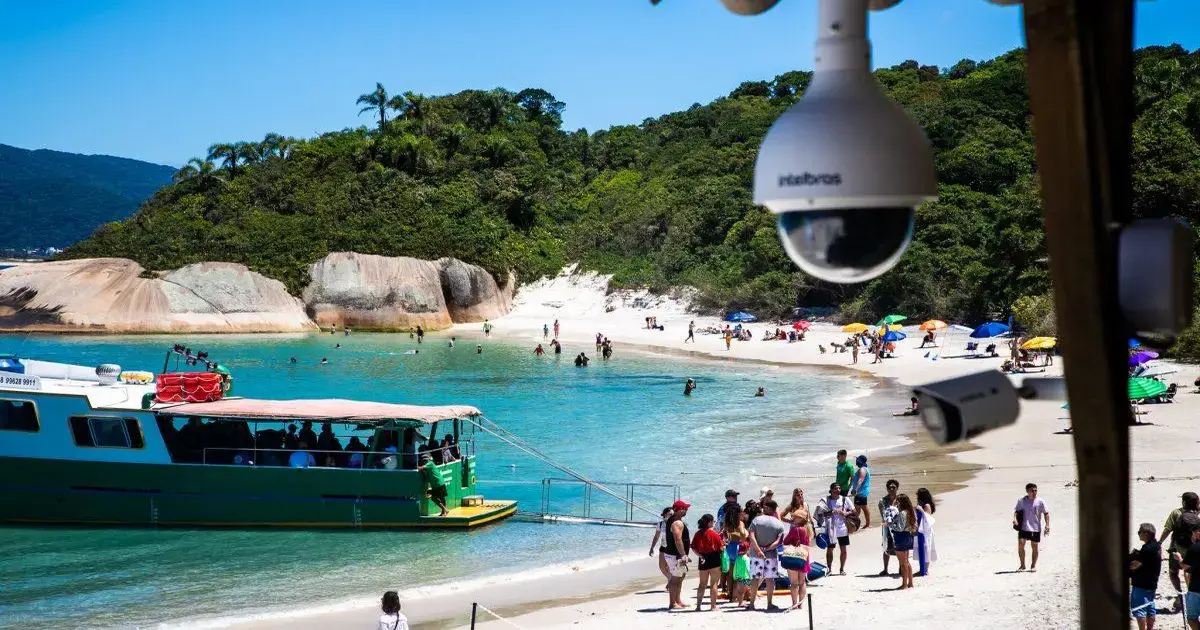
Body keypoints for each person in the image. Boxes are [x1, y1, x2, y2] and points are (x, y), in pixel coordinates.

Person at [1162, 492, 1200, 612]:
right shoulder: (1197, 515)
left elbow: (1167, 529)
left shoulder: (1176, 513)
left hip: (1177, 548)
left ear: (1183, 502)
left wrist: (1159, 542)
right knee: (1189, 572)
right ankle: (1191, 594)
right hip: (1193, 549)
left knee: (1173, 572)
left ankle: (1179, 596)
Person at [747, 499, 786, 611]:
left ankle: (751, 604)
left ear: (767, 508)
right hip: (771, 555)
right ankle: (769, 604)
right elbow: (778, 542)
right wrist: (766, 549)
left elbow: (751, 537)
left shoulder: (756, 520)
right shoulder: (779, 524)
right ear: (774, 510)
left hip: (756, 554)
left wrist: (759, 550)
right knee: (769, 579)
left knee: (755, 579)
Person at [1130, 522, 1162, 629]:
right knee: (1150, 608)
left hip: (1141, 583)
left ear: (1146, 533)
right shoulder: (1157, 546)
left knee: (1139, 610)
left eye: (1139, 532)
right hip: (1152, 582)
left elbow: (1135, 565)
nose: (1138, 534)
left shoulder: (1147, 549)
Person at [1013, 482, 1050, 571]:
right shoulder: (1022, 501)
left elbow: (1046, 513)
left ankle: (1033, 566)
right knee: (1021, 545)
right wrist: (1015, 519)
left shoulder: (1040, 501)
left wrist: (1047, 525)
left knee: (1034, 547)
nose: (1034, 492)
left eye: (1035, 490)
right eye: (1032, 491)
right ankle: (1022, 566)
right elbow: (1016, 511)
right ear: (1027, 491)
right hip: (1023, 527)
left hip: (1035, 528)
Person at [691, 514, 724, 611]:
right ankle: (713, 606)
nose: (714, 523)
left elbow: (693, 547)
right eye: (713, 521)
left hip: (703, 558)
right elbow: (721, 547)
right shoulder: (714, 534)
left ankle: (698, 606)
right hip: (714, 557)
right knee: (714, 583)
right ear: (709, 522)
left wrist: (700, 556)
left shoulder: (698, 533)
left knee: (702, 584)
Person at [663, 500, 691, 610]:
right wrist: (683, 555)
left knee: (680, 577)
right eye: (685, 508)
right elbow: (677, 539)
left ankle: (677, 600)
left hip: (676, 554)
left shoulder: (674, 519)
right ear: (680, 510)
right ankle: (672, 603)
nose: (687, 510)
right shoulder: (677, 522)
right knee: (675, 579)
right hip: (675, 555)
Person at [821, 482, 854, 575]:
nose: (838, 490)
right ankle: (829, 569)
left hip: (843, 529)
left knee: (843, 549)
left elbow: (854, 511)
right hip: (830, 529)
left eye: (839, 488)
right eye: (835, 488)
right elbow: (821, 513)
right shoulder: (826, 500)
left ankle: (842, 569)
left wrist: (845, 513)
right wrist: (832, 511)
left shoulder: (845, 499)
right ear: (831, 490)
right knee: (830, 550)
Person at [781, 513, 812, 611]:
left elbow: (785, 541)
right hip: (804, 557)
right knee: (802, 582)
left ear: (801, 519)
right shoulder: (808, 529)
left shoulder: (796, 530)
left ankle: (794, 604)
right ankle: (800, 605)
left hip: (794, 556)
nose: (793, 518)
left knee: (794, 583)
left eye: (795, 517)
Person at [722, 502, 750, 607]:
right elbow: (742, 533)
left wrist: (729, 538)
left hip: (730, 547)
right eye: (741, 512)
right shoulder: (740, 523)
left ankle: (731, 595)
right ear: (737, 513)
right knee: (741, 573)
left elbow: (724, 533)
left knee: (732, 573)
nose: (743, 513)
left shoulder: (727, 523)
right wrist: (743, 541)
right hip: (738, 548)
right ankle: (739, 596)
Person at [888, 494, 918, 589]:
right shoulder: (911, 511)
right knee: (906, 561)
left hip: (901, 537)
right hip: (908, 536)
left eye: (897, 501)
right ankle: (910, 583)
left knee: (903, 563)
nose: (896, 502)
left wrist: (889, 524)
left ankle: (904, 584)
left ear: (900, 502)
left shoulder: (902, 513)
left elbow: (899, 528)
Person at [1176, 524, 1200, 629]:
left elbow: (1184, 566)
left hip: (1196, 588)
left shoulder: (1194, 548)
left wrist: (1179, 558)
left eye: (1193, 533)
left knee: (1192, 618)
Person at [878, 479, 900, 575]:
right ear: (887, 489)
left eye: (893, 487)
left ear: (897, 488)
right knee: (886, 547)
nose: (891, 489)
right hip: (887, 526)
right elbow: (883, 515)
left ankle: (901, 567)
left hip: (899, 527)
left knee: (900, 547)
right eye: (889, 487)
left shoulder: (901, 500)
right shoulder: (882, 501)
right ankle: (885, 569)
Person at [915, 487, 937, 576]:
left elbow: (927, 518)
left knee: (927, 548)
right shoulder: (921, 504)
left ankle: (926, 569)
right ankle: (922, 568)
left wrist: (920, 509)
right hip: (920, 529)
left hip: (926, 530)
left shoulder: (927, 505)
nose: (917, 497)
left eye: (918, 495)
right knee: (921, 549)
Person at [649, 507, 674, 580]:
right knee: (662, 567)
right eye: (670, 514)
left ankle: (671, 582)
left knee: (670, 567)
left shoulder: (675, 524)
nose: (672, 516)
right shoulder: (660, 524)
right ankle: (670, 580)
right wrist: (652, 548)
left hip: (672, 548)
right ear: (665, 514)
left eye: (673, 514)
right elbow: (656, 537)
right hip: (663, 547)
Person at [849, 454, 872, 528]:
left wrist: (855, 490)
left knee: (864, 508)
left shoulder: (862, 469)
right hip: (859, 492)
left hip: (861, 492)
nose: (856, 462)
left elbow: (860, 480)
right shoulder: (864, 468)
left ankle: (867, 524)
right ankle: (854, 523)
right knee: (857, 508)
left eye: (857, 460)